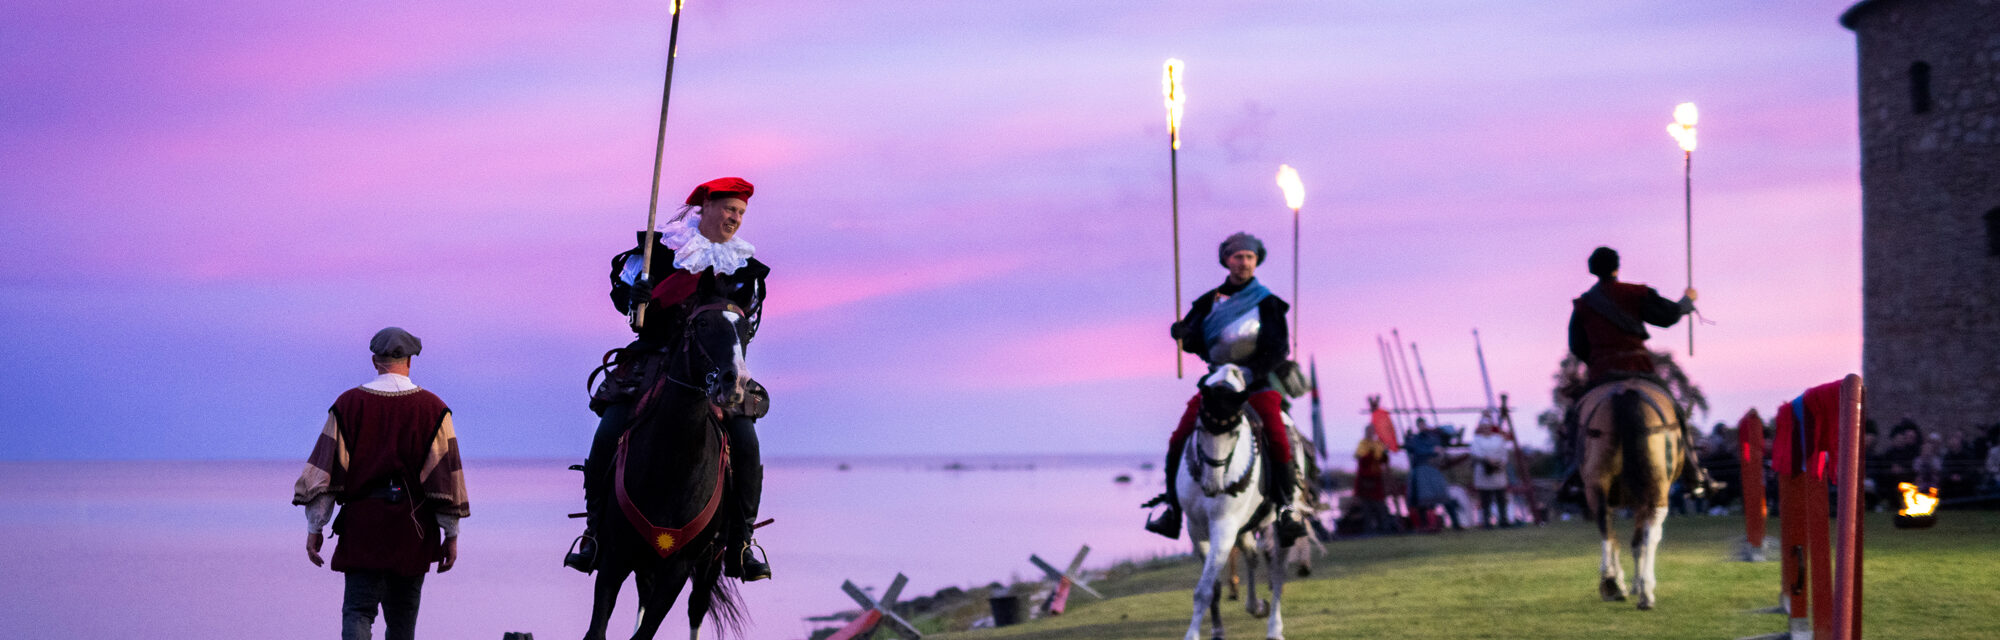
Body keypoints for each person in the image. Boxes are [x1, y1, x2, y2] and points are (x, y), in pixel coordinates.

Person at [565, 177, 774, 582]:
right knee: (609, 430)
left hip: (716, 368)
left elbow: (746, 325)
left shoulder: (745, 267)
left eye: (741, 213)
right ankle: (593, 532)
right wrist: (638, 297)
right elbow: (626, 305)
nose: (735, 218)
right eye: (729, 209)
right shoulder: (658, 252)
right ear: (705, 207)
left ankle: (743, 542)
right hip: (657, 358)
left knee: (746, 441)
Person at [293, 327, 470, 640]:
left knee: (358, 612)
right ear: (410, 361)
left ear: (375, 360)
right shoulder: (434, 409)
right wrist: (451, 535)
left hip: (364, 527)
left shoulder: (347, 405)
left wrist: (315, 528)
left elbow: (324, 472)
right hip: (413, 529)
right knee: (402, 625)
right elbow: (446, 480)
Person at [1145, 232, 1308, 544]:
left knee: (1276, 432)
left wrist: (1250, 371)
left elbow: (1278, 349)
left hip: (1256, 385)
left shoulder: (1269, 304)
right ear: (1227, 261)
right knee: (1179, 435)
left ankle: (1288, 507)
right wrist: (1181, 334)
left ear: (1256, 261)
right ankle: (1172, 508)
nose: (1243, 263)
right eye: (1238, 257)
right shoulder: (1209, 301)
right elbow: (1194, 341)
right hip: (1217, 385)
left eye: (1249, 257)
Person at [1564, 246, 1708, 496]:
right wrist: (1688, 301)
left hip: (1602, 373)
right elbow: (1667, 316)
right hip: (1639, 369)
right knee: (1674, 410)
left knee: (1575, 416)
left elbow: (1576, 345)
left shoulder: (1583, 305)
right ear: (1617, 267)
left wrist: (1597, 360)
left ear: (1592, 270)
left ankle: (1576, 471)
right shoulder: (1636, 293)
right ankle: (1692, 472)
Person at [1469, 418, 1513, 528]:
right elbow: (1476, 453)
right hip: (1483, 472)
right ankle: (1487, 522)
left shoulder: (1498, 439)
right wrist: (1487, 460)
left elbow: (1504, 454)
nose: (1486, 430)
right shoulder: (1476, 441)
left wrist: (1500, 463)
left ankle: (1503, 520)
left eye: (1487, 427)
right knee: (1485, 500)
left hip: (1498, 472)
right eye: (1483, 428)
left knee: (1501, 499)